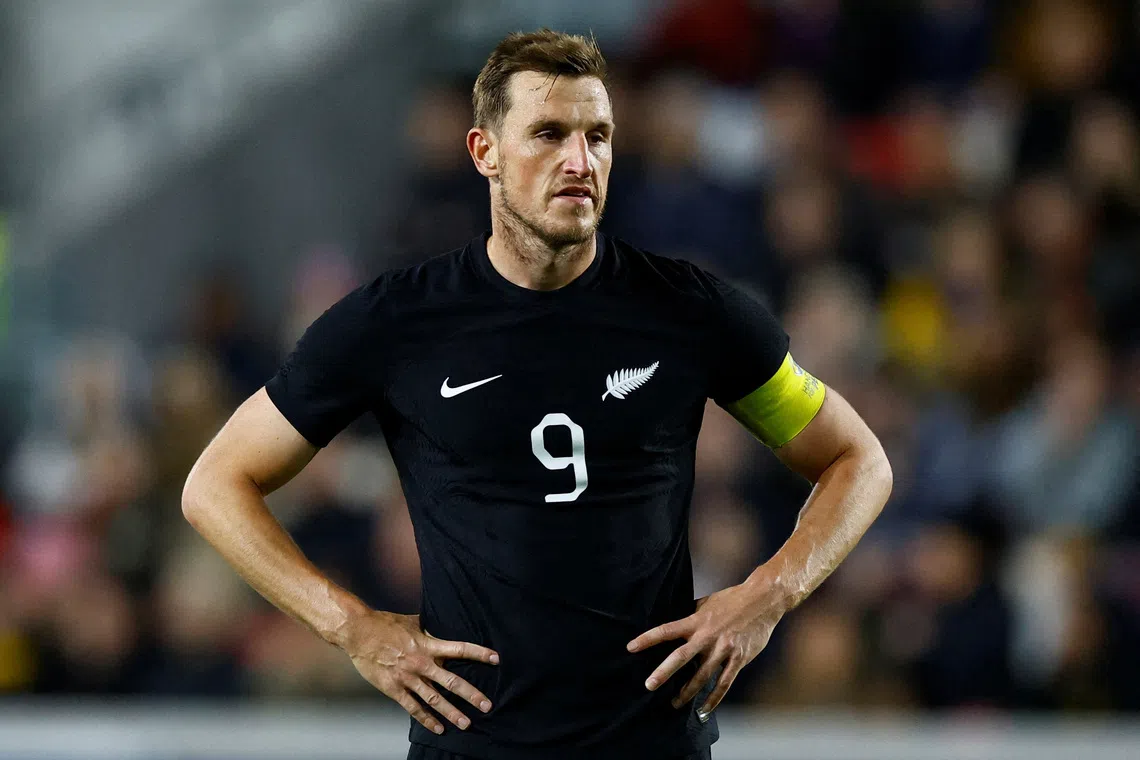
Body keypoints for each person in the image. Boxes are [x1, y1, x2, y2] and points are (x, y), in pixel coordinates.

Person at [181, 29, 893, 760]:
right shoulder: (395, 321)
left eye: (599, 136)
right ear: (484, 152)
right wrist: (350, 625)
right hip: (474, 749)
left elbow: (857, 460)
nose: (579, 161)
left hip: (650, 748)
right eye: (549, 134)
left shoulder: (691, 312)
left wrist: (769, 595)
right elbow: (215, 485)